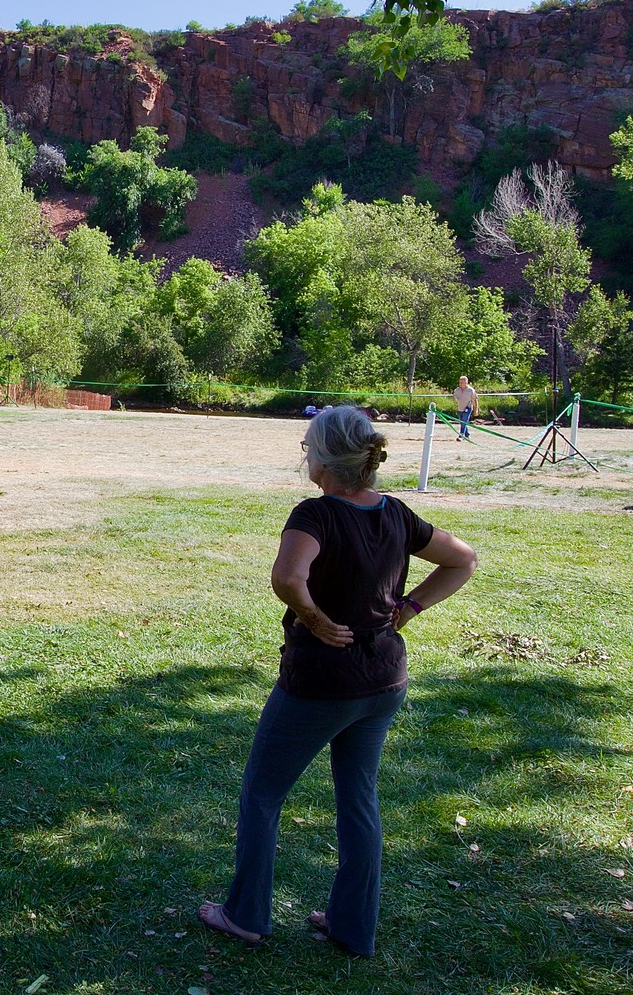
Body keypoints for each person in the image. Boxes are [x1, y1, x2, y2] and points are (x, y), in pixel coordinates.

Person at [200, 405, 477, 958]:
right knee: (358, 800)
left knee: (262, 794)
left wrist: (314, 617)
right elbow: (462, 559)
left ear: (322, 458)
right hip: (382, 681)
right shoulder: (396, 513)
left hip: (320, 684)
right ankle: (352, 926)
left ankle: (245, 915)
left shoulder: (316, 514)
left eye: (307, 447)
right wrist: (413, 605)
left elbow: (287, 576)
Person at [453, 376, 477, 441]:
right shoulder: (457, 390)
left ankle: (461, 436)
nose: (460, 384)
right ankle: (467, 435)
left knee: (463, 422)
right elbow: (454, 397)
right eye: (459, 382)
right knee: (463, 422)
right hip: (460, 408)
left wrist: (476, 409)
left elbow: (475, 399)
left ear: (466, 382)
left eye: (462, 382)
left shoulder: (471, 390)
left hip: (468, 408)